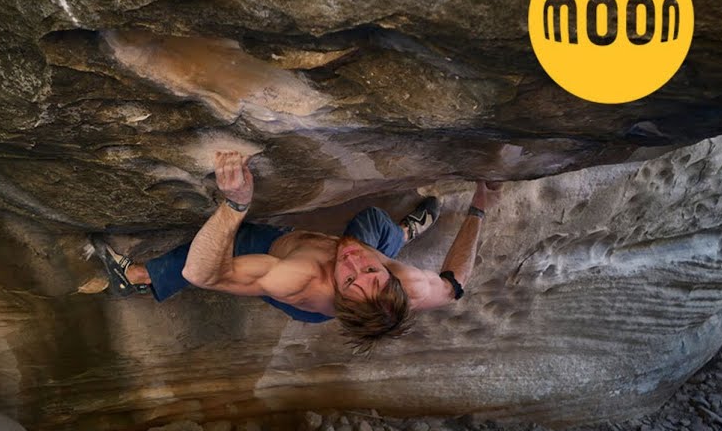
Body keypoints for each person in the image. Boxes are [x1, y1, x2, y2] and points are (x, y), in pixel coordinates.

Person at [92, 151, 500, 353]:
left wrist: (235, 204)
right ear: (392, 278)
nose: (356, 262)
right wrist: (480, 206)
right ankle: (406, 231)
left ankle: (136, 278)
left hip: (281, 256)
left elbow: (203, 273)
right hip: (379, 247)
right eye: (372, 271)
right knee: (375, 226)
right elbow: (455, 285)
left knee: (228, 243)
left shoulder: (295, 278)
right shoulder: (408, 286)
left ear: (338, 290)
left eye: (351, 278)